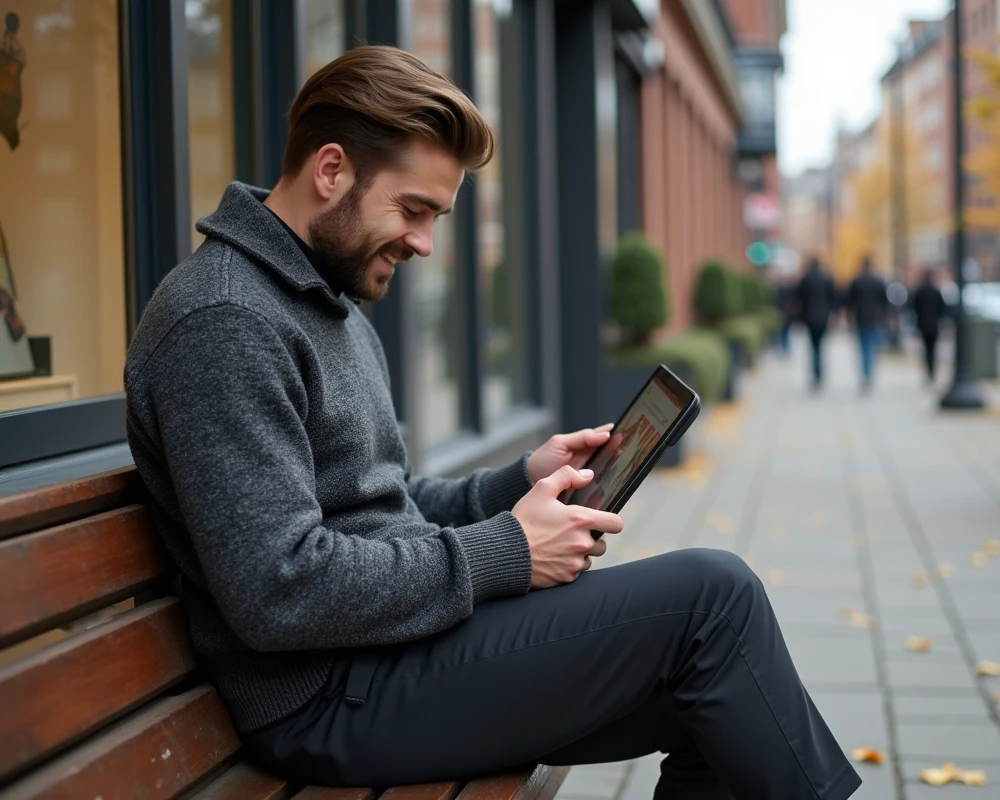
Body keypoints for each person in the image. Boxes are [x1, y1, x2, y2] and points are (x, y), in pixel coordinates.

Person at [123, 47, 859, 799]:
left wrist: (515, 485)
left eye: (435, 218)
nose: (424, 243)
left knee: (728, 698)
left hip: (388, 654)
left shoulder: (319, 300)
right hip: (330, 696)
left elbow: (386, 504)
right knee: (714, 597)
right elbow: (280, 589)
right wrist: (508, 549)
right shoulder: (224, 320)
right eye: (413, 210)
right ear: (332, 169)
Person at [844, 257, 889, 392]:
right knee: (871, 345)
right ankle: (869, 372)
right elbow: (884, 300)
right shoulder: (878, 281)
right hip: (874, 317)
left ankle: (865, 373)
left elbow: (849, 301)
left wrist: (848, 316)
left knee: (863, 346)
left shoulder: (857, 281)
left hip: (860, 317)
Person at [794, 257, 839, 389]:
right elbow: (834, 298)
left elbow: (798, 298)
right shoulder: (827, 279)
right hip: (824, 318)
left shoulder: (805, 279)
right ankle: (819, 374)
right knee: (821, 346)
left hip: (809, 318)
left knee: (813, 347)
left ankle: (815, 374)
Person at [911, 269, 947, 385]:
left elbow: (914, 307)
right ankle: (932, 372)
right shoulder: (936, 292)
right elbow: (943, 308)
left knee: (926, 350)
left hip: (923, 324)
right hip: (934, 324)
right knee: (933, 349)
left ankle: (928, 372)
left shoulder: (920, 291)